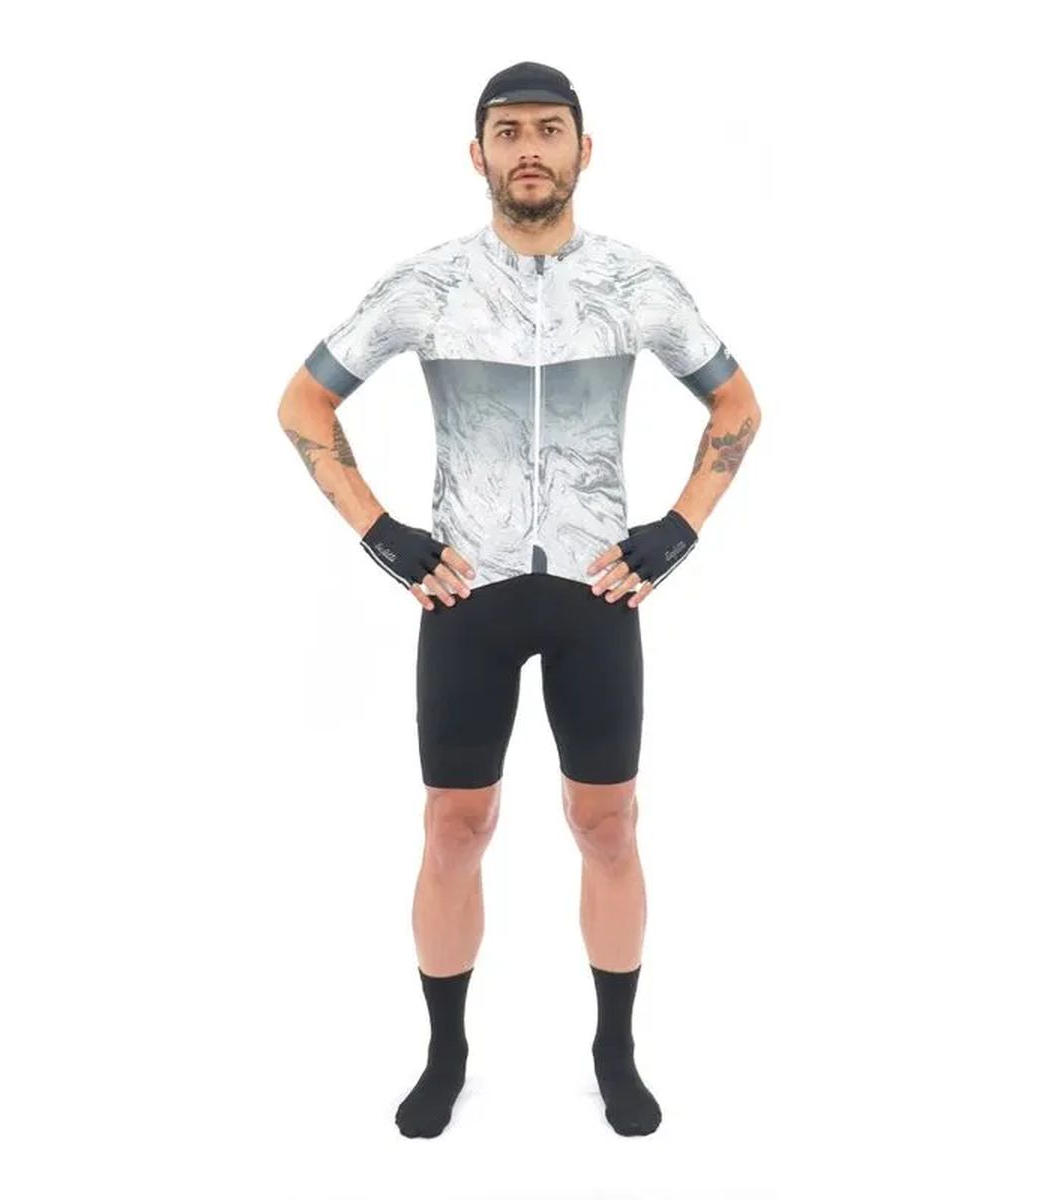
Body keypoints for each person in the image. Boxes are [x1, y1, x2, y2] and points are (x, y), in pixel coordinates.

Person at [276, 61, 761, 1138]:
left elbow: (737, 405)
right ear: (477, 154)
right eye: (508, 131)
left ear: (586, 149)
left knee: (608, 825)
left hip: (596, 591)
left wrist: (680, 527)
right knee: (455, 829)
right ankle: (445, 1053)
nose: (529, 147)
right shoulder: (428, 285)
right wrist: (382, 533)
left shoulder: (636, 283)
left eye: (549, 129)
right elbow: (303, 401)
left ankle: (614, 1050)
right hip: (471, 596)